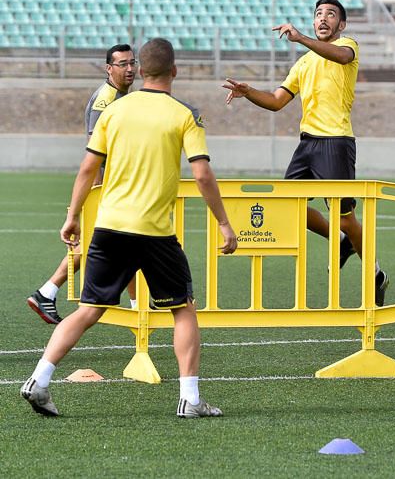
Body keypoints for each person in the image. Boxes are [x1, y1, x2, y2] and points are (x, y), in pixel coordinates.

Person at [21, 37, 238, 419]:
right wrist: (223, 222)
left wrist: (72, 215)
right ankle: (190, 398)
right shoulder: (184, 113)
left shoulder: (115, 112)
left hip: (109, 227)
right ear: (174, 71)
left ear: (140, 70)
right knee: (183, 309)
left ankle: (38, 380)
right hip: (155, 232)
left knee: (89, 310)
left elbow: (88, 169)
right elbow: (201, 173)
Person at [223, 0, 389, 306]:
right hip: (307, 144)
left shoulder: (348, 46)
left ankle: (376, 272)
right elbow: (276, 100)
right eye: (318, 14)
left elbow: (340, 56)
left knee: (346, 218)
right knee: (287, 207)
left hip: (335, 143)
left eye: (330, 14)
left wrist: (300, 37)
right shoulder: (303, 63)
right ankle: (340, 241)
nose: (323, 18)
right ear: (314, 21)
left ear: (341, 24)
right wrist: (248, 93)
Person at [27, 44, 138, 325]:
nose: (130, 69)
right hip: (106, 187)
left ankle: (47, 292)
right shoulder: (106, 99)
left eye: (132, 63)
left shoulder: (121, 96)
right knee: (119, 241)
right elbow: (96, 150)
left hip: (115, 186)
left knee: (121, 243)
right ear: (108, 68)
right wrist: (99, 191)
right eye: (123, 64)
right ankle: (47, 291)